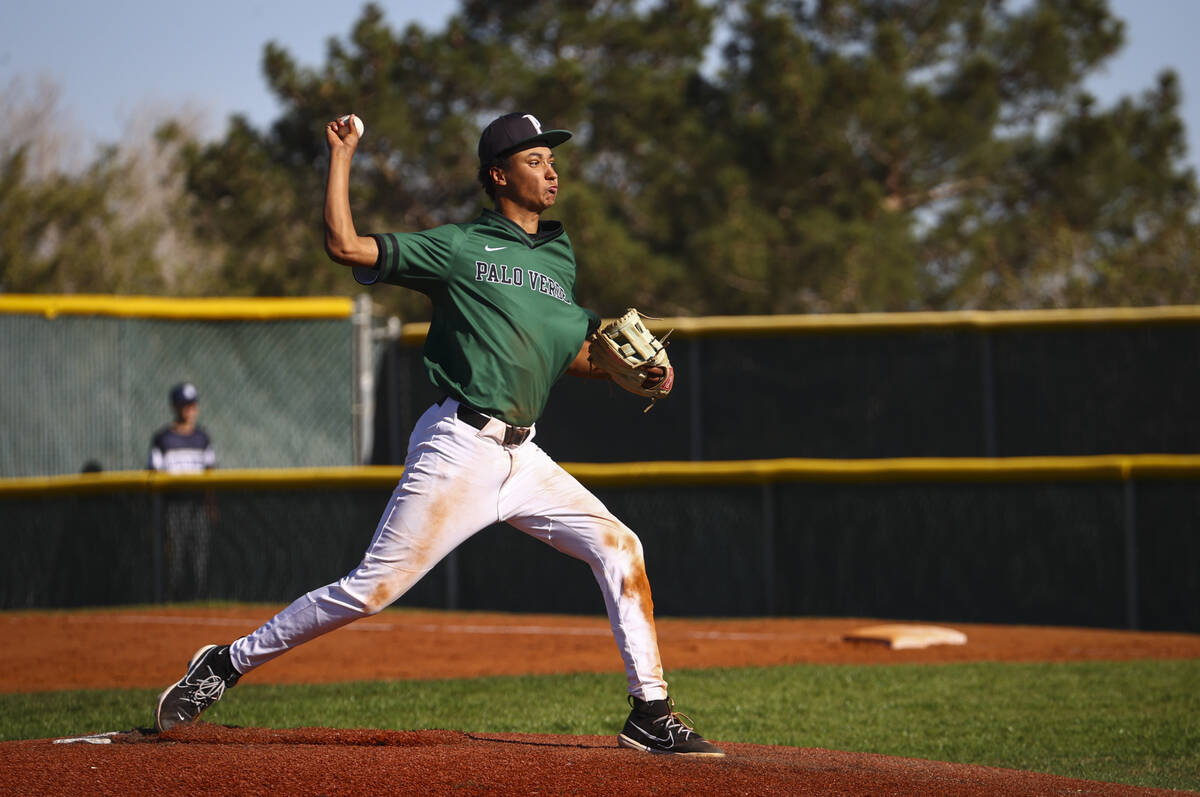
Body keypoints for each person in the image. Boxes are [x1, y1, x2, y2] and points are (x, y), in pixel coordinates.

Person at [154, 112, 723, 757]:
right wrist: (342, 156)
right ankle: (226, 663)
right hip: (460, 446)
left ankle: (650, 711)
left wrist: (628, 373)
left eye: (552, 159)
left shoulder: (559, 257)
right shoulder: (459, 247)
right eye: (535, 160)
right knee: (372, 590)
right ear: (498, 175)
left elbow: (566, 354)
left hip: (524, 455)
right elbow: (344, 245)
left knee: (622, 547)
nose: (551, 169)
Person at [148, 382, 217, 600]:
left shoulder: (202, 438)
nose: (188, 409)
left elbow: (211, 475)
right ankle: (172, 600)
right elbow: (153, 476)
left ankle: (200, 600)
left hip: (197, 506)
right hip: (173, 506)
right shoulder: (163, 439)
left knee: (199, 557)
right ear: (175, 407)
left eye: (192, 404)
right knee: (174, 557)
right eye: (184, 405)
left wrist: (211, 505)